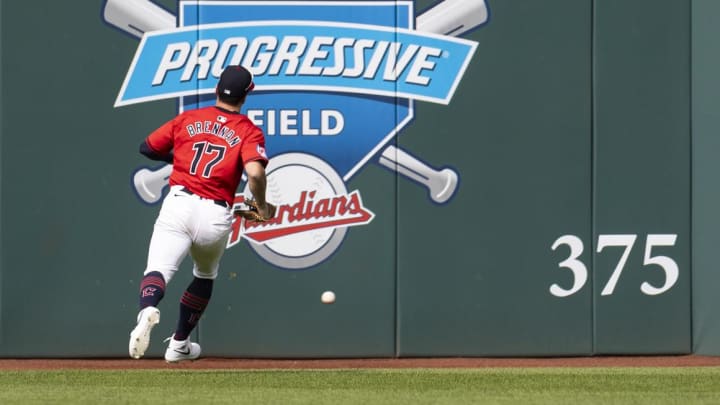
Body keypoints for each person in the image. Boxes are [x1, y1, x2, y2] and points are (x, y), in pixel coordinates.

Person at [128, 65, 273, 363]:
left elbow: (147, 147)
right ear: (246, 96)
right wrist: (260, 205)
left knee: (158, 270)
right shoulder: (247, 130)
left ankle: (147, 310)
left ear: (217, 89)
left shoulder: (189, 118)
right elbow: (255, 174)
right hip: (215, 214)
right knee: (204, 275)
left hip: (179, 203)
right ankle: (179, 343)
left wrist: (179, 155)